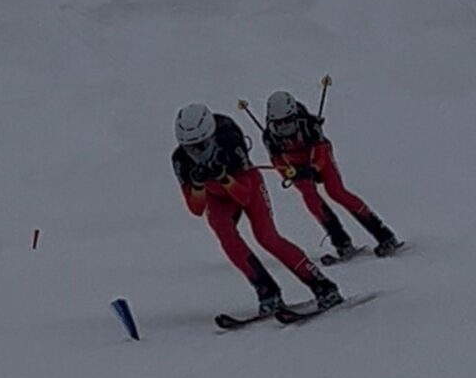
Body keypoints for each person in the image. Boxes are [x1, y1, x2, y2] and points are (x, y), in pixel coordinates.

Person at [171, 103, 344, 314]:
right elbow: (196, 208)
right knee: (226, 236)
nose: (195, 153)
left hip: (245, 185)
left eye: (201, 145)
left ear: (212, 137)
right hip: (216, 195)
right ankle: (266, 291)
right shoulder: (180, 160)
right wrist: (198, 184)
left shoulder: (230, 140)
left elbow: (244, 195)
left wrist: (224, 177)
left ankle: (321, 284)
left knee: (267, 237)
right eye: (189, 148)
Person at [262, 91, 401, 258]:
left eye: (288, 122)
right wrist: (288, 172)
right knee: (311, 198)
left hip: (318, 158)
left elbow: (320, 150)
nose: (284, 127)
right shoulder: (269, 136)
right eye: (279, 124)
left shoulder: (309, 124)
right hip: (296, 165)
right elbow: (277, 160)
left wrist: (314, 168)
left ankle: (384, 234)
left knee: (336, 192)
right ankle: (341, 242)